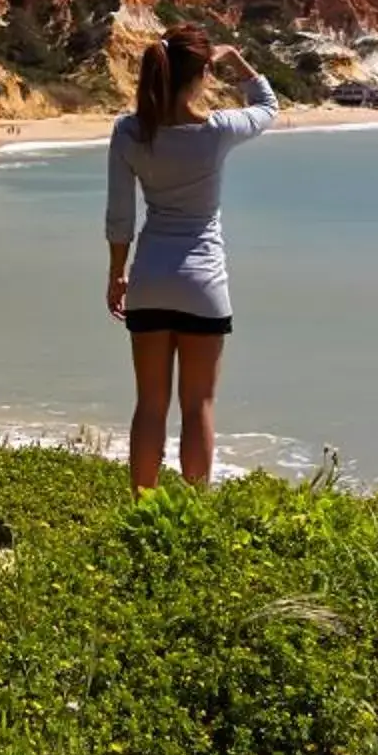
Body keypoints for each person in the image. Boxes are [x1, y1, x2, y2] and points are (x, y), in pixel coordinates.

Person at [103, 26, 276, 491]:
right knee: (198, 403)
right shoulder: (216, 131)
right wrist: (238, 62)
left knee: (150, 405)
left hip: (149, 280)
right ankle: (192, 516)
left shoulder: (128, 132)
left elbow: (120, 215)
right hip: (203, 283)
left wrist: (117, 274)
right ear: (202, 73)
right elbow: (267, 108)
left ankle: (142, 511)